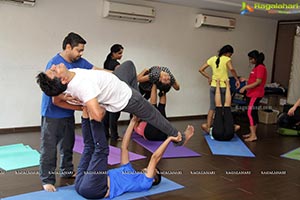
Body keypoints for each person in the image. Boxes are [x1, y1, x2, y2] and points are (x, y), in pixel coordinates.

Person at [36, 60, 194, 147]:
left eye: (51, 68)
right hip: (126, 97)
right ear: (62, 79)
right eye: (53, 71)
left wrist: (79, 103)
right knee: (154, 115)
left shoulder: (71, 74)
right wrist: (85, 106)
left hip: (118, 82)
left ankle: (138, 107)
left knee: (129, 65)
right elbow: (98, 115)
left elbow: (56, 100)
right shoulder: (83, 87)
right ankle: (178, 137)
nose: (54, 66)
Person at [75, 107, 184, 199]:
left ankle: (94, 117)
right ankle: (85, 111)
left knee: (101, 150)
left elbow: (155, 158)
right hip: (81, 183)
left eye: (154, 169)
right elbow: (124, 147)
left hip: (94, 189)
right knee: (89, 147)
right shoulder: (128, 170)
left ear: (154, 178)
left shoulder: (145, 182)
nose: (150, 167)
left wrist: (169, 139)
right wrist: (132, 122)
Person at [39, 32, 100, 192]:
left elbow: (95, 70)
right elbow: (56, 98)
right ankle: (47, 179)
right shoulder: (54, 64)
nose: (81, 54)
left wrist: (117, 76)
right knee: (49, 148)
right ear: (68, 47)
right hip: (52, 114)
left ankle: (66, 170)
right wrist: (81, 107)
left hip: (67, 114)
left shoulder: (78, 61)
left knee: (68, 144)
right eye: (79, 50)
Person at [199, 44, 240, 133]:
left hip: (213, 86)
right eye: (230, 54)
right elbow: (232, 69)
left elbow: (201, 69)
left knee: (212, 107)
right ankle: (224, 126)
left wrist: (209, 77)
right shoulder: (227, 59)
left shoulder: (213, 58)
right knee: (224, 108)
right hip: (223, 87)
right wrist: (237, 79)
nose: (230, 56)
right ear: (228, 53)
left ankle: (208, 127)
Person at [239, 50, 267, 142]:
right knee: (253, 113)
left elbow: (258, 82)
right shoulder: (256, 68)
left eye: (251, 59)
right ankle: (252, 133)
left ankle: (253, 135)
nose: (250, 61)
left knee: (250, 113)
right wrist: (246, 79)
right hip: (251, 93)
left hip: (256, 94)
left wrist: (245, 87)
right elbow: (254, 79)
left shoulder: (260, 68)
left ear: (255, 59)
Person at [103, 44, 124, 141]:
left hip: (107, 90)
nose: (121, 55)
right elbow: (121, 77)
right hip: (114, 90)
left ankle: (106, 133)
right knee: (114, 114)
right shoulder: (116, 64)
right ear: (113, 53)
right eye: (119, 53)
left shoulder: (107, 62)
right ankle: (115, 136)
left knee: (108, 112)